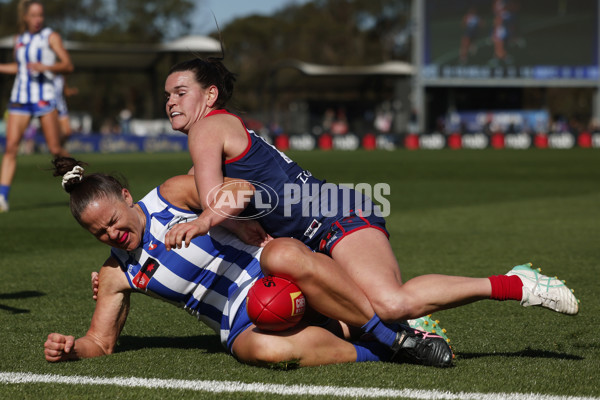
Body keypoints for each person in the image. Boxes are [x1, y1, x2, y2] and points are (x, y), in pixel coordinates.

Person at [161, 56, 582, 366]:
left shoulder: (206, 127)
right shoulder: (220, 128)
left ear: (209, 95)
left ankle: (515, 283)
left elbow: (219, 195)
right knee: (362, 308)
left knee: (391, 304)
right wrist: (236, 219)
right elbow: (236, 191)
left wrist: (200, 222)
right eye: (167, 96)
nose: (171, 102)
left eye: (181, 92)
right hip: (318, 227)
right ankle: (410, 335)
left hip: (333, 216)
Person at [44, 157, 580, 368]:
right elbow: (103, 342)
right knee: (254, 351)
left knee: (280, 251)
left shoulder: (171, 195)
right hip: (243, 316)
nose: (113, 234)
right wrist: (75, 347)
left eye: (114, 220)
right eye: (99, 234)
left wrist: (216, 213)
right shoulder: (116, 273)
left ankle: (392, 334)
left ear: (127, 194)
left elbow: (235, 187)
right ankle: (379, 351)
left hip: (278, 271)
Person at [0, 0, 73, 213]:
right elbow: (21, 67)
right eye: (33, 15)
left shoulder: (51, 36)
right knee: (11, 147)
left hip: (44, 98)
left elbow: (68, 65)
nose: (38, 19)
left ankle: (79, 180)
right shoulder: (19, 39)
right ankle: (2, 197)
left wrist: (46, 67)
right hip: (20, 98)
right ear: (25, 17)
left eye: (40, 15)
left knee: (55, 148)